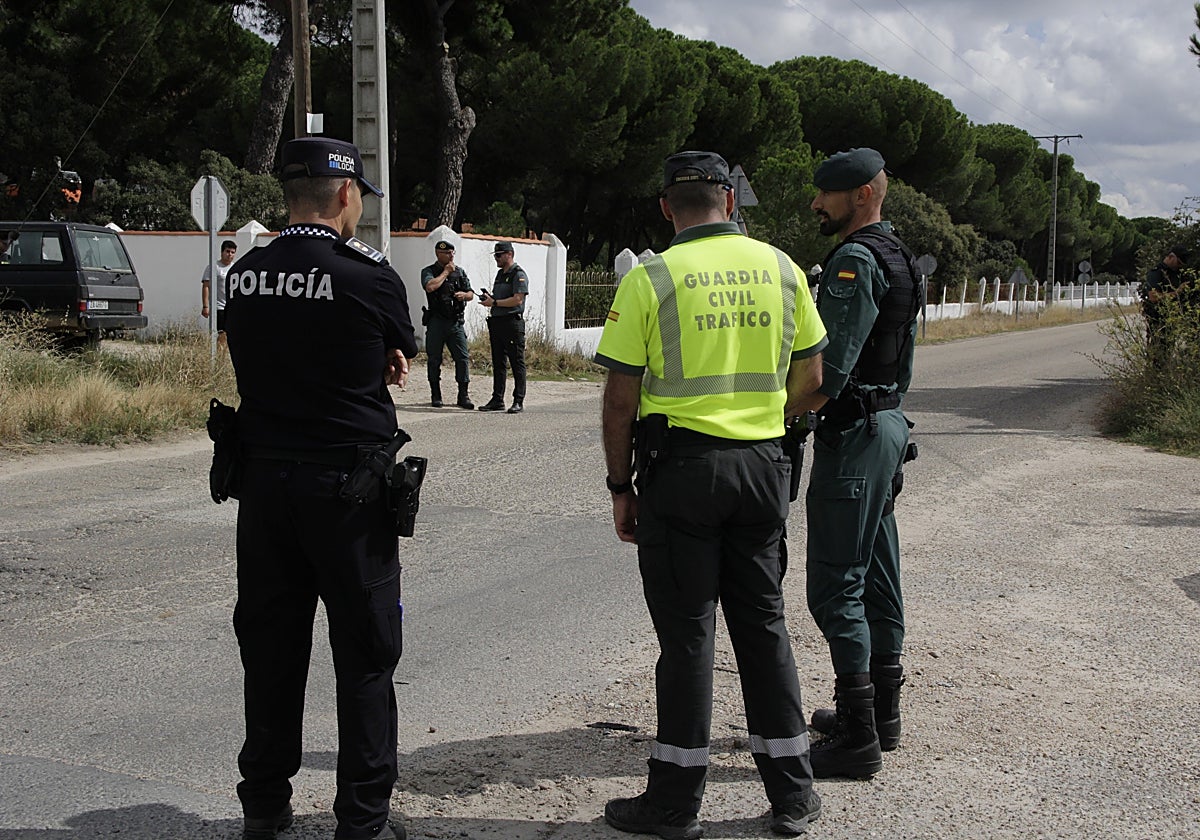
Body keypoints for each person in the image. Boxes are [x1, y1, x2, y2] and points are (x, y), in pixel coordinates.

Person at [595, 151, 828, 838]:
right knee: (763, 627)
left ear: (667, 207)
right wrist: (764, 430)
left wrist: (620, 487)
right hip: (762, 470)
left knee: (689, 639)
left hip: (682, 473)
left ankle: (673, 805)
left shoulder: (651, 277)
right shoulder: (785, 270)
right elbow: (812, 380)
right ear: (730, 201)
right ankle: (792, 795)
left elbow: (619, 401)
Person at [223, 136, 417, 840]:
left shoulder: (244, 273)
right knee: (365, 655)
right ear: (344, 195)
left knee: (271, 652)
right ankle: (362, 821)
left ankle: (264, 811)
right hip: (348, 492)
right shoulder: (367, 273)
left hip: (265, 486)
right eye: (361, 195)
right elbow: (400, 346)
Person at [794, 148, 922, 780]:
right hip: (889, 423)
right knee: (877, 572)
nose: (817, 203)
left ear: (865, 194)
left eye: (828, 194)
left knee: (834, 583)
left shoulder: (855, 258)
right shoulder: (898, 253)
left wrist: (782, 415)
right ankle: (884, 713)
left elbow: (828, 373)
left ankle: (856, 735)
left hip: (855, 437)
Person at [420, 239, 475, 408]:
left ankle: (463, 395)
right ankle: (436, 394)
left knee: (462, 358)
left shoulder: (460, 272)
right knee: (434, 359)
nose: (451, 256)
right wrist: (445, 273)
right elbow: (430, 287)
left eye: (452, 253)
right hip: (437, 321)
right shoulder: (429, 271)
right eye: (447, 253)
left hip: (455, 322)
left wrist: (464, 296)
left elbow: (471, 292)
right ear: (438, 254)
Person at [477, 241, 527, 413]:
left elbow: (517, 299)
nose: (496, 258)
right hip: (497, 321)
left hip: (512, 322)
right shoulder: (500, 274)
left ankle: (518, 400)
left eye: (499, 255)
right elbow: (498, 299)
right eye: (495, 255)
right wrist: (489, 299)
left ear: (509, 254)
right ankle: (497, 399)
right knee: (498, 362)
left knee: (516, 362)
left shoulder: (518, 274)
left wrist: (495, 302)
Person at [1140, 244, 1190, 358]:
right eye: (1178, 263)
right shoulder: (1156, 273)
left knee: (1167, 350)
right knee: (1158, 351)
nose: (1179, 267)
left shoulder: (1176, 274)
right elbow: (1154, 297)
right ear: (1171, 257)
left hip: (1171, 318)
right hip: (1157, 319)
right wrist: (1177, 292)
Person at [201, 239, 238, 347]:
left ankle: (223, 357)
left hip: (232, 307)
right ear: (222, 252)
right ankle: (218, 358)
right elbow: (206, 286)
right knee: (222, 333)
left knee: (230, 334)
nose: (229, 254)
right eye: (227, 251)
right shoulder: (214, 267)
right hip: (219, 307)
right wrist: (205, 306)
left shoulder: (235, 267)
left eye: (232, 252)